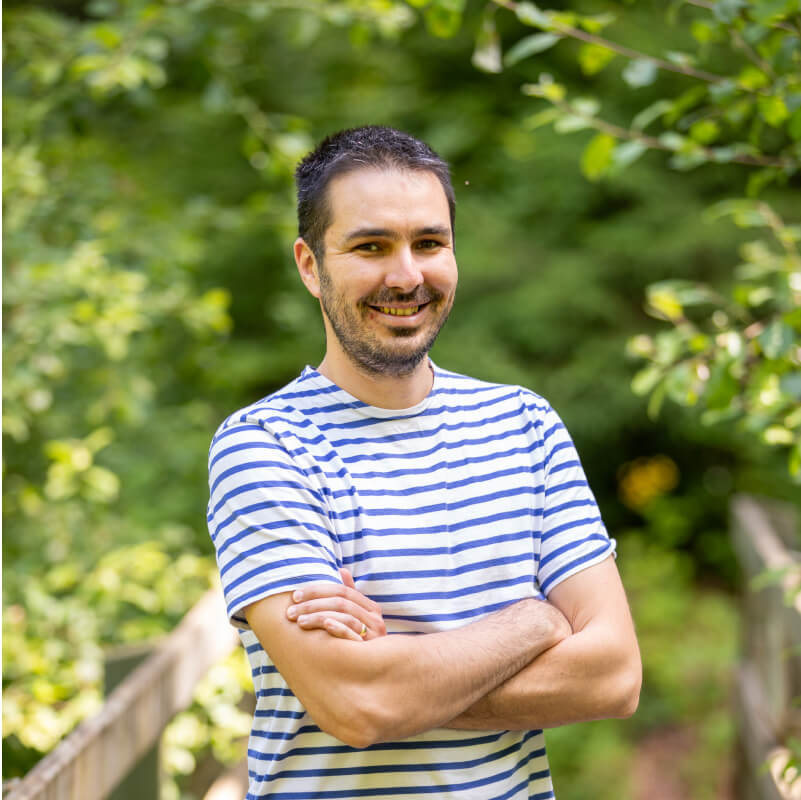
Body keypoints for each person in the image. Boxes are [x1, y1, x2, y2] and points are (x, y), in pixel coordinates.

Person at [207, 125, 641, 800]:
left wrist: (396, 683)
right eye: (370, 246)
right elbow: (357, 705)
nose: (406, 275)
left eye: (428, 243)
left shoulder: (523, 425)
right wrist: (536, 621)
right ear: (309, 264)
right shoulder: (264, 445)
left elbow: (613, 676)